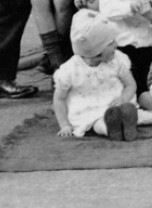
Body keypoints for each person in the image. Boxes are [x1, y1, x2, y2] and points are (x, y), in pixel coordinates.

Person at [51, 10, 139, 141]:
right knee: (97, 123)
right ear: (97, 52)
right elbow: (59, 99)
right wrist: (64, 125)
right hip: (88, 108)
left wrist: (123, 99)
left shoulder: (116, 60)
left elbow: (130, 84)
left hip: (115, 102)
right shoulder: (70, 70)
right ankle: (112, 129)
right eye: (110, 43)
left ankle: (126, 124)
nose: (116, 44)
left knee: (135, 114)